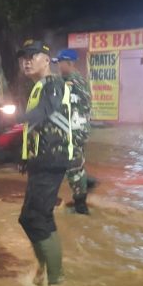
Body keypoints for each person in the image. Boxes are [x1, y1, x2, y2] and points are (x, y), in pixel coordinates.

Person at [17, 39, 73, 286]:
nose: (26, 60)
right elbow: (33, 128)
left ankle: (56, 280)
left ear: (47, 60)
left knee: (36, 218)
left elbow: (46, 112)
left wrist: (12, 119)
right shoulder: (38, 86)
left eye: (33, 55)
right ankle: (44, 271)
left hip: (52, 158)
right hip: (40, 160)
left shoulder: (53, 84)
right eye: (23, 57)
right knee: (32, 218)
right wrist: (24, 157)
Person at [53, 49, 92, 215]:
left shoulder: (72, 83)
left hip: (73, 132)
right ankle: (84, 185)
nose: (58, 66)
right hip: (76, 130)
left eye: (59, 63)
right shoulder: (71, 80)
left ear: (68, 63)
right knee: (75, 165)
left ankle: (81, 207)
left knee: (73, 168)